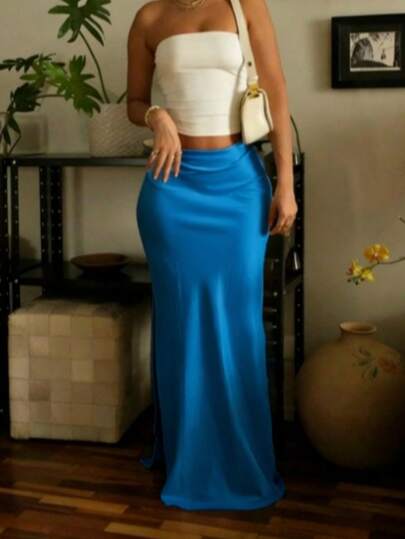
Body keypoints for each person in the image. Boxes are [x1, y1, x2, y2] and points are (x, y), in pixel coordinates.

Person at [127, 0, 297, 511]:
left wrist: (286, 184)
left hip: (238, 188)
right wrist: (156, 116)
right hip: (171, 189)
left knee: (240, 326)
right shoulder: (149, 18)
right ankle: (190, 457)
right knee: (181, 327)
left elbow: (277, 90)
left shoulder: (246, 6)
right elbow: (134, 101)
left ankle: (242, 460)